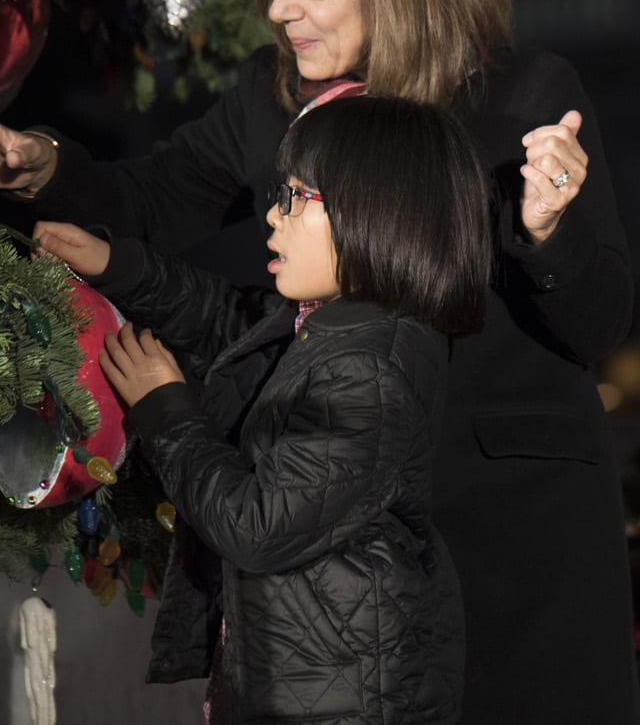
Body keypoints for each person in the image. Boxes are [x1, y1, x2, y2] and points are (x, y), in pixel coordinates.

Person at [0, 0, 640, 723]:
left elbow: (600, 322)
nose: (280, 9)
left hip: (514, 534)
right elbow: (153, 200)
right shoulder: (274, 98)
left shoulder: (522, 93)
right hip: (343, 549)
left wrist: (549, 232)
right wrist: (44, 166)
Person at [35, 96, 487, 723]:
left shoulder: (371, 366)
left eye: (298, 198)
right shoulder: (330, 326)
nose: (273, 216)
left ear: (374, 216)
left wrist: (166, 410)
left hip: (342, 704)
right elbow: (228, 320)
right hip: (299, 684)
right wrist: (121, 266)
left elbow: (258, 525)